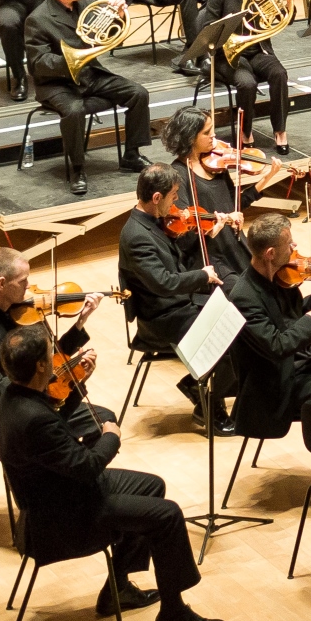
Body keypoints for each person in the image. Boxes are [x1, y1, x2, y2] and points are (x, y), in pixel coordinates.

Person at [0, 325, 225, 621]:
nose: (55, 358)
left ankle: (117, 590)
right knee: (167, 515)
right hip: (62, 520)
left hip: (61, 495)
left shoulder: (14, 395)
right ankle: (174, 615)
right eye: (50, 353)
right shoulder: (33, 416)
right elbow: (87, 466)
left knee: (151, 486)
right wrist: (111, 437)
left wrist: (76, 385)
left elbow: (56, 428)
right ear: (39, 366)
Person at [0, 247, 110, 462]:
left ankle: (82, 478)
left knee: (104, 421)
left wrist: (80, 323)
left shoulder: (27, 312)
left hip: (38, 404)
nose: (29, 286)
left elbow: (51, 355)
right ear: (1, 284)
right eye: (22, 281)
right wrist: (54, 376)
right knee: (54, 440)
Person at [116, 162, 237, 433]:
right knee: (228, 338)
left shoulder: (155, 221)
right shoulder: (136, 236)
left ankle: (201, 387)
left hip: (179, 305)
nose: (176, 203)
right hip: (161, 318)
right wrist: (203, 276)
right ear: (156, 198)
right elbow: (164, 282)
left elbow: (175, 260)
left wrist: (202, 234)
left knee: (239, 318)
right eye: (173, 196)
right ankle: (208, 402)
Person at [25, 0, 152, 195]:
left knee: (138, 93)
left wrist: (119, 15)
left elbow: (112, 37)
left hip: (90, 74)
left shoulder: (88, 2)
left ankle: (132, 155)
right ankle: (77, 169)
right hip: (57, 84)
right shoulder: (38, 19)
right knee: (74, 111)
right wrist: (70, 61)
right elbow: (37, 63)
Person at [224, 213, 311, 443]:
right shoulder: (243, 297)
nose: (294, 247)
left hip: (306, 363)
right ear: (270, 254)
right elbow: (278, 345)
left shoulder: (280, 278)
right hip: (280, 384)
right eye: (289, 244)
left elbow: (293, 318)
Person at [199, 0, 292, 153]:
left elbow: (279, 19)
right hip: (228, 55)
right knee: (247, 84)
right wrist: (229, 22)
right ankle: (245, 131)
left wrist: (287, 3)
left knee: (280, 74)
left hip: (258, 50)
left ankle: (280, 131)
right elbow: (207, 30)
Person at [160, 108, 263, 275]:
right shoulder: (178, 174)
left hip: (234, 245)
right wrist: (216, 225)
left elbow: (233, 203)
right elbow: (183, 228)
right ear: (190, 137)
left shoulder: (216, 165)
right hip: (210, 255)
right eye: (207, 132)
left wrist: (265, 179)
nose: (214, 136)